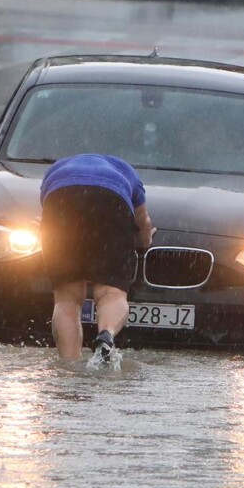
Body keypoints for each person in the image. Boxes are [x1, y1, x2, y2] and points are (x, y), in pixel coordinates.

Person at [39, 153, 154, 364]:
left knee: (67, 299)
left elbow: (47, 212)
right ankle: (106, 335)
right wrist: (144, 242)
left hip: (61, 197)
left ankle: (69, 365)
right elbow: (142, 221)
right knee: (111, 292)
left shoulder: (55, 170)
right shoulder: (126, 171)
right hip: (111, 199)